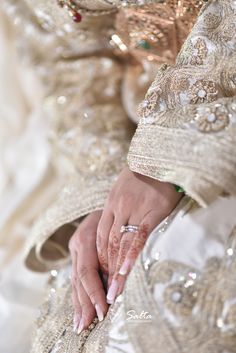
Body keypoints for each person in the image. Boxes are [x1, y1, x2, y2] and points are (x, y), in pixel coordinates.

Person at [1, 0, 236, 352]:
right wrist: (104, 189)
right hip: (127, 137)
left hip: (217, 110)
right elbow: (68, 67)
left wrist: (163, 154)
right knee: (83, 323)